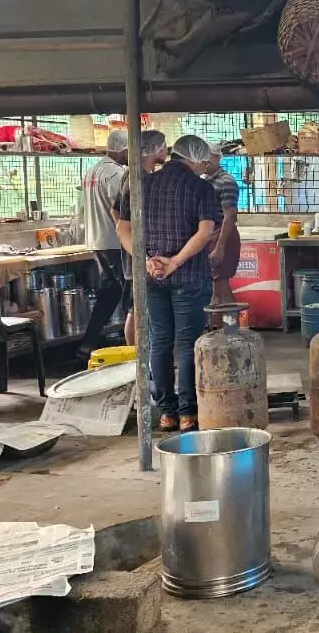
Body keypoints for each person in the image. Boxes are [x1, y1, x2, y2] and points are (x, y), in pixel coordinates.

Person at [116, 132, 221, 432]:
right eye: (204, 163)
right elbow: (204, 233)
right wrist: (174, 262)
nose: (205, 168)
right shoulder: (201, 188)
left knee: (160, 342)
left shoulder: (141, 184)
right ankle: (188, 413)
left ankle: (166, 412)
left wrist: (145, 258)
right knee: (187, 344)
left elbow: (122, 228)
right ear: (196, 159)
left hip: (150, 276)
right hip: (188, 276)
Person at [78, 129, 128, 358]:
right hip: (115, 241)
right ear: (123, 150)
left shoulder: (92, 170)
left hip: (97, 240)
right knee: (129, 294)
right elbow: (120, 208)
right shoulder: (115, 173)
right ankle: (134, 345)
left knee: (110, 292)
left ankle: (87, 343)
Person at [118, 130, 168, 348]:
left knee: (138, 305)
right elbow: (122, 222)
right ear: (155, 150)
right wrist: (137, 247)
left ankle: (140, 356)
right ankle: (137, 358)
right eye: (164, 147)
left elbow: (116, 213)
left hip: (138, 251)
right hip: (138, 255)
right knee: (137, 306)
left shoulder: (131, 174)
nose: (166, 151)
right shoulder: (139, 179)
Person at [201, 148, 241, 306]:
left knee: (221, 287)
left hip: (222, 235)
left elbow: (230, 216)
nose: (204, 161)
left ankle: (230, 329)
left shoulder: (226, 182)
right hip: (211, 235)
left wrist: (220, 246)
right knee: (215, 289)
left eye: (207, 157)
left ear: (217, 158)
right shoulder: (205, 180)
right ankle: (219, 329)